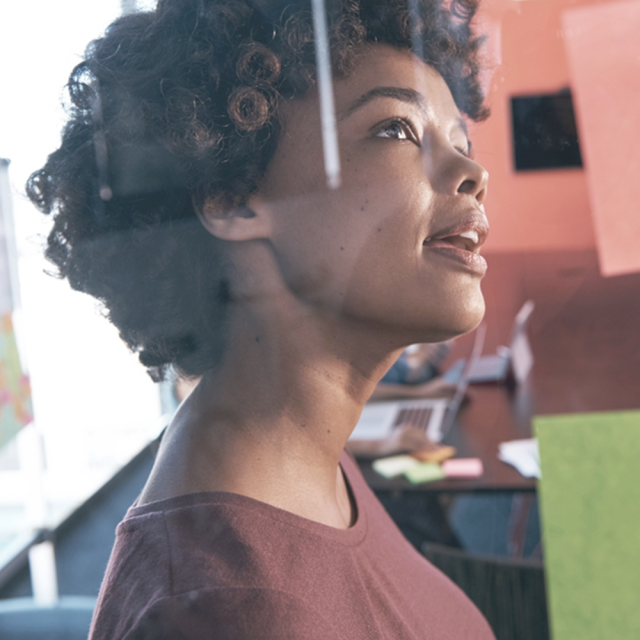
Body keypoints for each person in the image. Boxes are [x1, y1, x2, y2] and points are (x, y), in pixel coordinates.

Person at [27, 0, 495, 637]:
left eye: (461, 144)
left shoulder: (311, 461)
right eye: (397, 129)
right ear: (233, 199)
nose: (473, 174)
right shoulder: (235, 608)